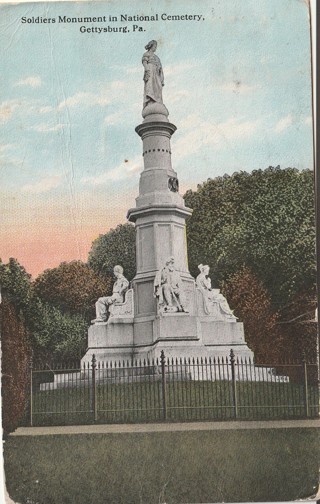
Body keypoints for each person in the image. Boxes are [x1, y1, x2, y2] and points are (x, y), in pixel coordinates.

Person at [142, 40, 164, 109]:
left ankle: (157, 101)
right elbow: (144, 62)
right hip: (150, 70)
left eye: (156, 46)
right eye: (154, 46)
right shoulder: (147, 54)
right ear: (151, 46)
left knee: (158, 86)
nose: (155, 48)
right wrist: (146, 69)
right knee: (150, 85)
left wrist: (160, 71)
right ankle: (150, 101)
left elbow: (160, 67)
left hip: (156, 73)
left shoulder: (157, 57)